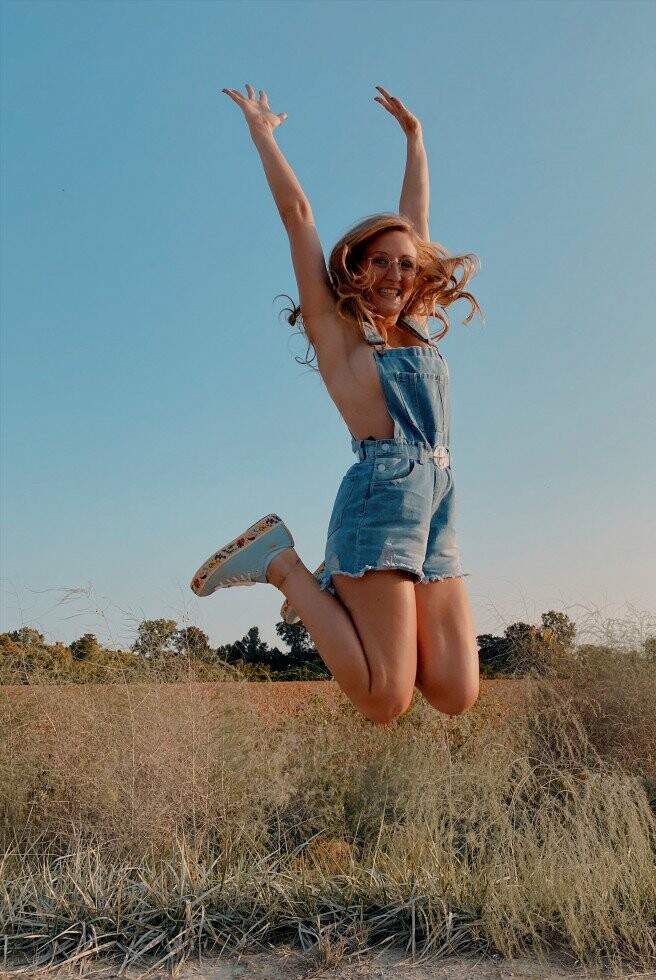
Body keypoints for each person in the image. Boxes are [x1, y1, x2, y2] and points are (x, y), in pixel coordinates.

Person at [191, 83, 483, 725]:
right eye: (379, 262)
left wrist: (416, 139)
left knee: (456, 693)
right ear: (355, 267)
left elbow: (416, 220)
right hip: (382, 494)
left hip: (439, 497)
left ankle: (341, 587)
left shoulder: (416, 325)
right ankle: (281, 563)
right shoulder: (338, 330)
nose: (395, 274)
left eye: (405, 265)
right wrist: (262, 133)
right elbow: (298, 216)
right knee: (385, 699)